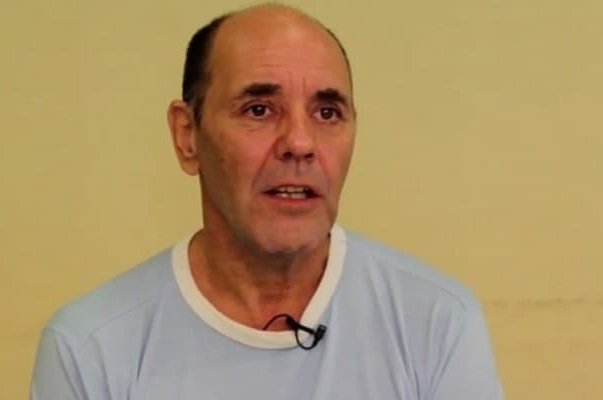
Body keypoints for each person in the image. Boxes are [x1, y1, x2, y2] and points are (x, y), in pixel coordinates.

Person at [30, 4, 503, 400]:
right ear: (187, 135)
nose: (300, 142)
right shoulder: (90, 347)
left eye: (327, 112)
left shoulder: (436, 322)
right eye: (258, 110)